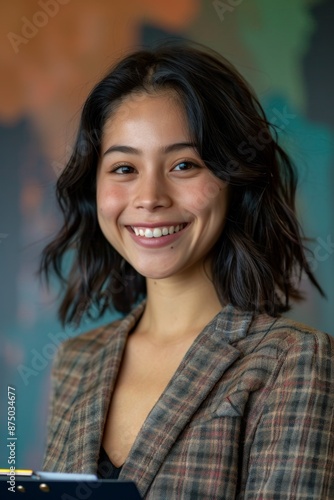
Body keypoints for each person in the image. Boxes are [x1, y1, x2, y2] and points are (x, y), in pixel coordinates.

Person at [40, 43, 334, 499]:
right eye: (123, 167)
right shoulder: (74, 361)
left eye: (183, 164)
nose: (150, 196)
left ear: (233, 180)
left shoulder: (292, 361)